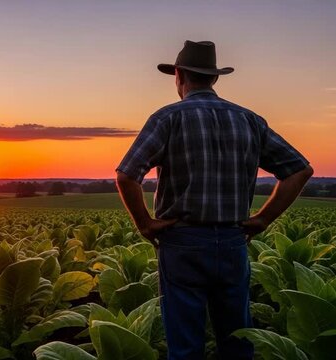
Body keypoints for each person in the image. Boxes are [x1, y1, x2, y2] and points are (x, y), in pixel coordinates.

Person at [115, 40, 313, 360]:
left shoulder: (167, 118)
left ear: (179, 75)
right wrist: (262, 218)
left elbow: (126, 175)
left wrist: (145, 224)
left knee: (185, 343)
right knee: (237, 338)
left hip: (182, 241)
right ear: (215, 78)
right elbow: (300, 171)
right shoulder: (250, 120)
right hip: (234, 240)